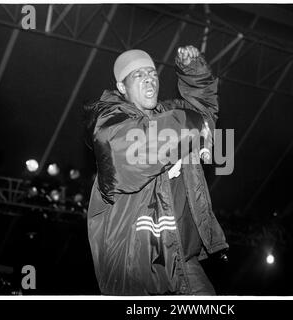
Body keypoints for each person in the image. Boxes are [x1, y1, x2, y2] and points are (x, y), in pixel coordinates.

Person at [84, 45, 228, 295]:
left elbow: (204, 112)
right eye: (138, 75)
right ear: (121, 87)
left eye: (152, 73)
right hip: (137, 262)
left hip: (182, 258)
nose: (149, 80)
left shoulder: (170, 114)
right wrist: (192, 125)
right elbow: (136, 153)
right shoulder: (108, 123)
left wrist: (193, 70)